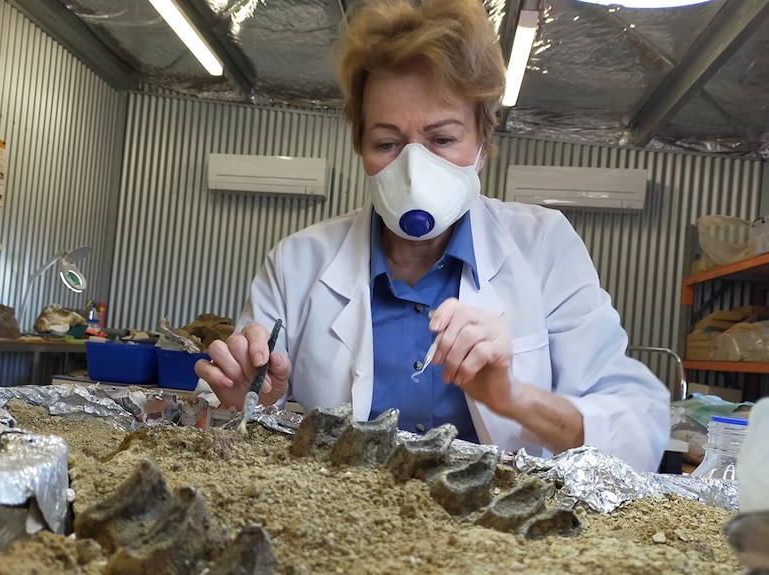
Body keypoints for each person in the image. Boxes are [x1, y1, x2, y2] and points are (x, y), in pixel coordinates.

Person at [195, 0, 669, 472]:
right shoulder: (297, 263)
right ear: (360, 146)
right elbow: (212, 422)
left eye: (442, 139)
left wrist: (516, 399)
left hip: (498, 540)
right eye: (387, 143)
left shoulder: (544, 247)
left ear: (483, 142)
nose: (414, 171)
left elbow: (638, 429)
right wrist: (250, 403)